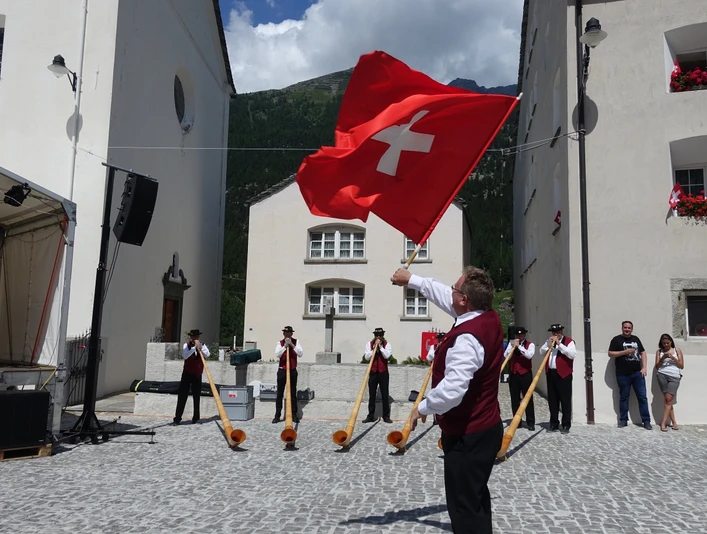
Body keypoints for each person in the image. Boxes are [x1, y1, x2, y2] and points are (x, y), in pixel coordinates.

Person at [392, 266, 503, 534]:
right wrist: (413, 281)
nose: (450, 292)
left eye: (456, 289)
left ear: (464, 300)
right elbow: (443, 294)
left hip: (469, 435)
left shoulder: (467, 338)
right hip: (486, 427)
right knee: (475, 500)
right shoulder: (486, 316)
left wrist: (423, 407)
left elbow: (453, 390)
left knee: (464, 508)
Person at [608, 321, 652, 429]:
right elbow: (610, 353)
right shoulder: (616, 340)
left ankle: (646, 421)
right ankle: (623, 420)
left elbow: (643, 353)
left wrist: (644, 367)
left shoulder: (636, 339)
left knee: (642, 397)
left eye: (629, 328)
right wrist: (625, 352)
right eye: (625, 327)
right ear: (622, 328)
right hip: (622, 374)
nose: (627, 329)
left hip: (637, 373)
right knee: (624, 398)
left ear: (632, 329)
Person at [540, 324, 576, 434]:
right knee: (552, 400)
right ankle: (554, 423)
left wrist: (559, 344)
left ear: (561, 332)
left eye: (558, 332)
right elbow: (541, 352)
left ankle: (566, 424)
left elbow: (572, 354)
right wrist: (547, 343)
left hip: (564, 374)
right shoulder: (549, 341)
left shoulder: (569, 341)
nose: (556, 335)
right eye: (554, 333)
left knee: (565, 400)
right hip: (551, 373)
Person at [173, 329, 210, 425]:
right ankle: (177, 418)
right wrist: (194, 348)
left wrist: (200, 348)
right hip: (187, 373)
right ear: (191, 337)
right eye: (193, 337)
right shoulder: (187, 346)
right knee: (182, 395)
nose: (195, 338)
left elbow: (207, 355)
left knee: (196, 395)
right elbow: (185, 356)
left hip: (197, 374)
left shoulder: (203, 345)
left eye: (197, 337)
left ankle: (196, 417)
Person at [504, 326, 536, 430]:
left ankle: (530, 422)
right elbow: (505, 355)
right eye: (517, 335)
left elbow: (529, 355)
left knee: (527, 398)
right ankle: (517, 422)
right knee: (515, 398)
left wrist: (520, 347)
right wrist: (512, 347)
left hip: (525, 374)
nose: (519, 337)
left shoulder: (530, 345)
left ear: (524, 335)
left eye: (521, 335)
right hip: (514, 373)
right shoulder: (511, 343)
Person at [362, 327, 393, 423]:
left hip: (383, 372)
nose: (378, 337)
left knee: (384, 394)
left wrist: (380, 348)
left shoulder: (387, 345)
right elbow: (367, 357)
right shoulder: (369, 344)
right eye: (376, 335)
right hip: (373, 372)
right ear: (374, 336)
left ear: (383, 336)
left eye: (380, 335)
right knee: (372, 395)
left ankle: (386, 416)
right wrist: (373, 349)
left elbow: (387, 356)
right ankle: (371, 416)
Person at [273, 326, 303, 424]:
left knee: (293, 393)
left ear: (291, 334)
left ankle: (293, 415)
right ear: (284, 334)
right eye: (286, 333)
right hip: (282, 370)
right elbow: (277, 354)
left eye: (289, 333)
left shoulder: (296, 342)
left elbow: (300, 353)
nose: (287, 334)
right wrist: (285, 346)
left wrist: (292, 345)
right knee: (280, 393)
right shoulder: (280, 343)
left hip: (292, 370)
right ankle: (277, 415)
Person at [655, 333, 684, 432]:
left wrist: (673, 357)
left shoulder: (677, 350)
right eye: (664, 343)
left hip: (674, 376)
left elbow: (681, 366)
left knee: (668, 399)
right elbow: (657, 366)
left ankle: (663, 423)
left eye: (667, 343)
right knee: (668, 401)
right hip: (662, 375)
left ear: (671, 342)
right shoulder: (659, 352)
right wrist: (662, 358)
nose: (666, 345)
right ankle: (674, 422)